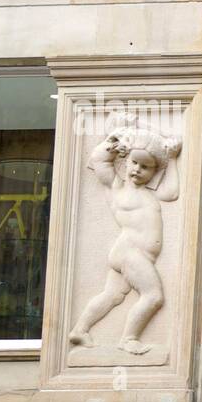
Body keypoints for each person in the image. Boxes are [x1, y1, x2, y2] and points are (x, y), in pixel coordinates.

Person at [68, 117, 181, 355]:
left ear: (154, 171)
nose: (137, 169)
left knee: (111, 296)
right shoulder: (117, 187)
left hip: (136, 255)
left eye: (145, 166)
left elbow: (171, 193)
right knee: (153, 296)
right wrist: (112, 143)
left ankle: (80, 329)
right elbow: (99, 161)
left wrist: (172, 159)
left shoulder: (150, 193)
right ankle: (128, 339)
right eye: (134, 163)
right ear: (125, 162)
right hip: (130, 252)